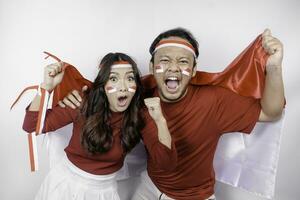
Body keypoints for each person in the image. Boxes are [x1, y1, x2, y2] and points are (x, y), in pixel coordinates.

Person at [62, 28, 285, 200]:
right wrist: (73, 95)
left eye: (183, 61)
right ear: (151, 66)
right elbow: (105, 95)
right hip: (148, 189)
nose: (173, 68)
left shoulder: (215, 100)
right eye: (165, 61)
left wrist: (273, 67)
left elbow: (270, 112)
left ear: (194, 70)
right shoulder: (138, 96)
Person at [22, 52, 177, 200]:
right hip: (65, 185)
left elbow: (167, 163)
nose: (123, 87)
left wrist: (160, 121)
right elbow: (31, 126)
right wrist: (46, 87)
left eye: (130, 78)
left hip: (104, 192)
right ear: (103, 85)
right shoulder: (83, 102)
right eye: (114, 79)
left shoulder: (140, 114)